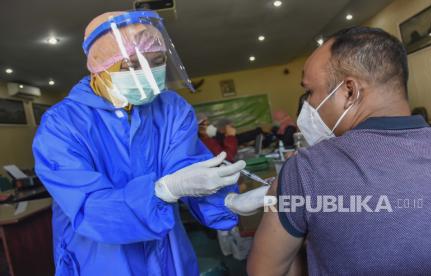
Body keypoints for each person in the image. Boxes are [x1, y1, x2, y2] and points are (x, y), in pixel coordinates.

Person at [33, 10, 269, 276]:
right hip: (100, 259)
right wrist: (161, 191)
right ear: (101, 66)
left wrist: (226, 202)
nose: (147, 74)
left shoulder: (171, 109)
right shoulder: (62, 124)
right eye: (133, 65)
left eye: (157, 62)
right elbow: (88, 207)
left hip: (168, 252)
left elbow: (187, 166)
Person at [248, 26, 431, 275]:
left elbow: (264, 272)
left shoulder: (305, 170)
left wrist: (281, 197)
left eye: (310, 92)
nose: (308, 105)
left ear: (349, 91)